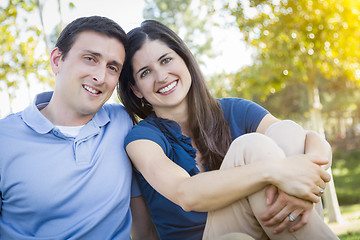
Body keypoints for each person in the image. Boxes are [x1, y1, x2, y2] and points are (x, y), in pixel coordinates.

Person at [118, 19, 339, 240]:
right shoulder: (142, 139)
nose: (161, 76)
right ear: (136, 89)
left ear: (185, 60)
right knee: (249, 148)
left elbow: (307, 139)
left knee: (287, 130)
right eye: (145, 73)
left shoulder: (235, 110)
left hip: (262, 225)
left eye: (166, 60)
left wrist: (304, 179)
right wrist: (275, 171)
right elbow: (185, 193)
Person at [0, 16, 157, 239]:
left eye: (112, 68)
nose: (100, 77)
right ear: (57, 60)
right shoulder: (4, 139)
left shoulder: (122, 123)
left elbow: (143, 224)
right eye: (90, 59)